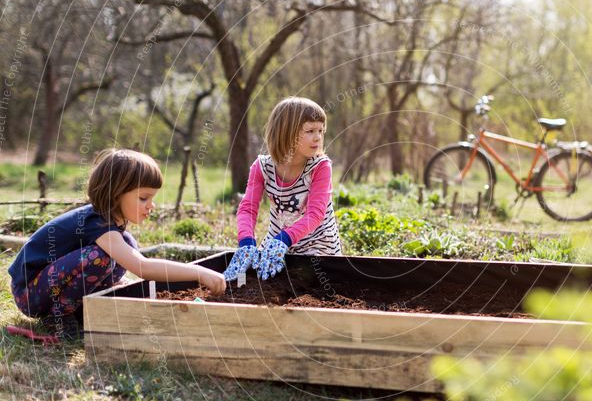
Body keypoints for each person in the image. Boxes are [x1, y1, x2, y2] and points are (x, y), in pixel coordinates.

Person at [8, 149, 226, 339]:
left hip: (47, 286)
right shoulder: (97, 222)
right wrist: (198, 272)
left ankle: (83, 306)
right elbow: (144, 267)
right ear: (115, 195)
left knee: (126, 244)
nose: (151, 205)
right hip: (29, 292)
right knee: (99, 258)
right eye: (143, 198)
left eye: (152, 198)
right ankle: (59, 317)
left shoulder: (112, 224)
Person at [224, 96, 342, 281]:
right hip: (276, 243)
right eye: (310, 131)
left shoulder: (320, 167)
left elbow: (315, 214)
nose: (318, 137)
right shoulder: (262, 167)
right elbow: (248, 208)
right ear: (286, 133)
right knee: (248, 281)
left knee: (311, 288)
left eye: (321, 130)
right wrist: (246, 242)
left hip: (319, 246)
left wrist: (284, 239)